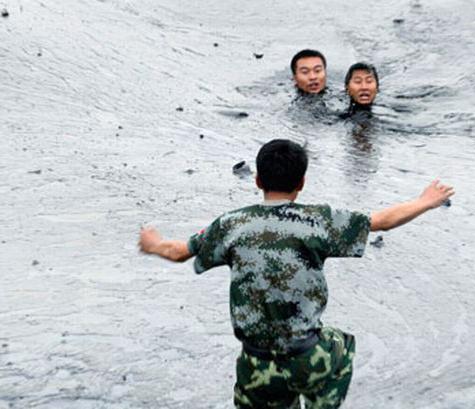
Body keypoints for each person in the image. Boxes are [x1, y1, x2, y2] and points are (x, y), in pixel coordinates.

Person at [138, 139, 454, 408]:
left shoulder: (231, 224)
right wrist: (425, 201)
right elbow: (382, 221)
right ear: (301, 183)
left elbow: (179, 252)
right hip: (308, 356)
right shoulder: (319, 220)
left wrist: (153, 244)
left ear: (258, 180)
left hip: (256, 363)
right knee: (341, 345)